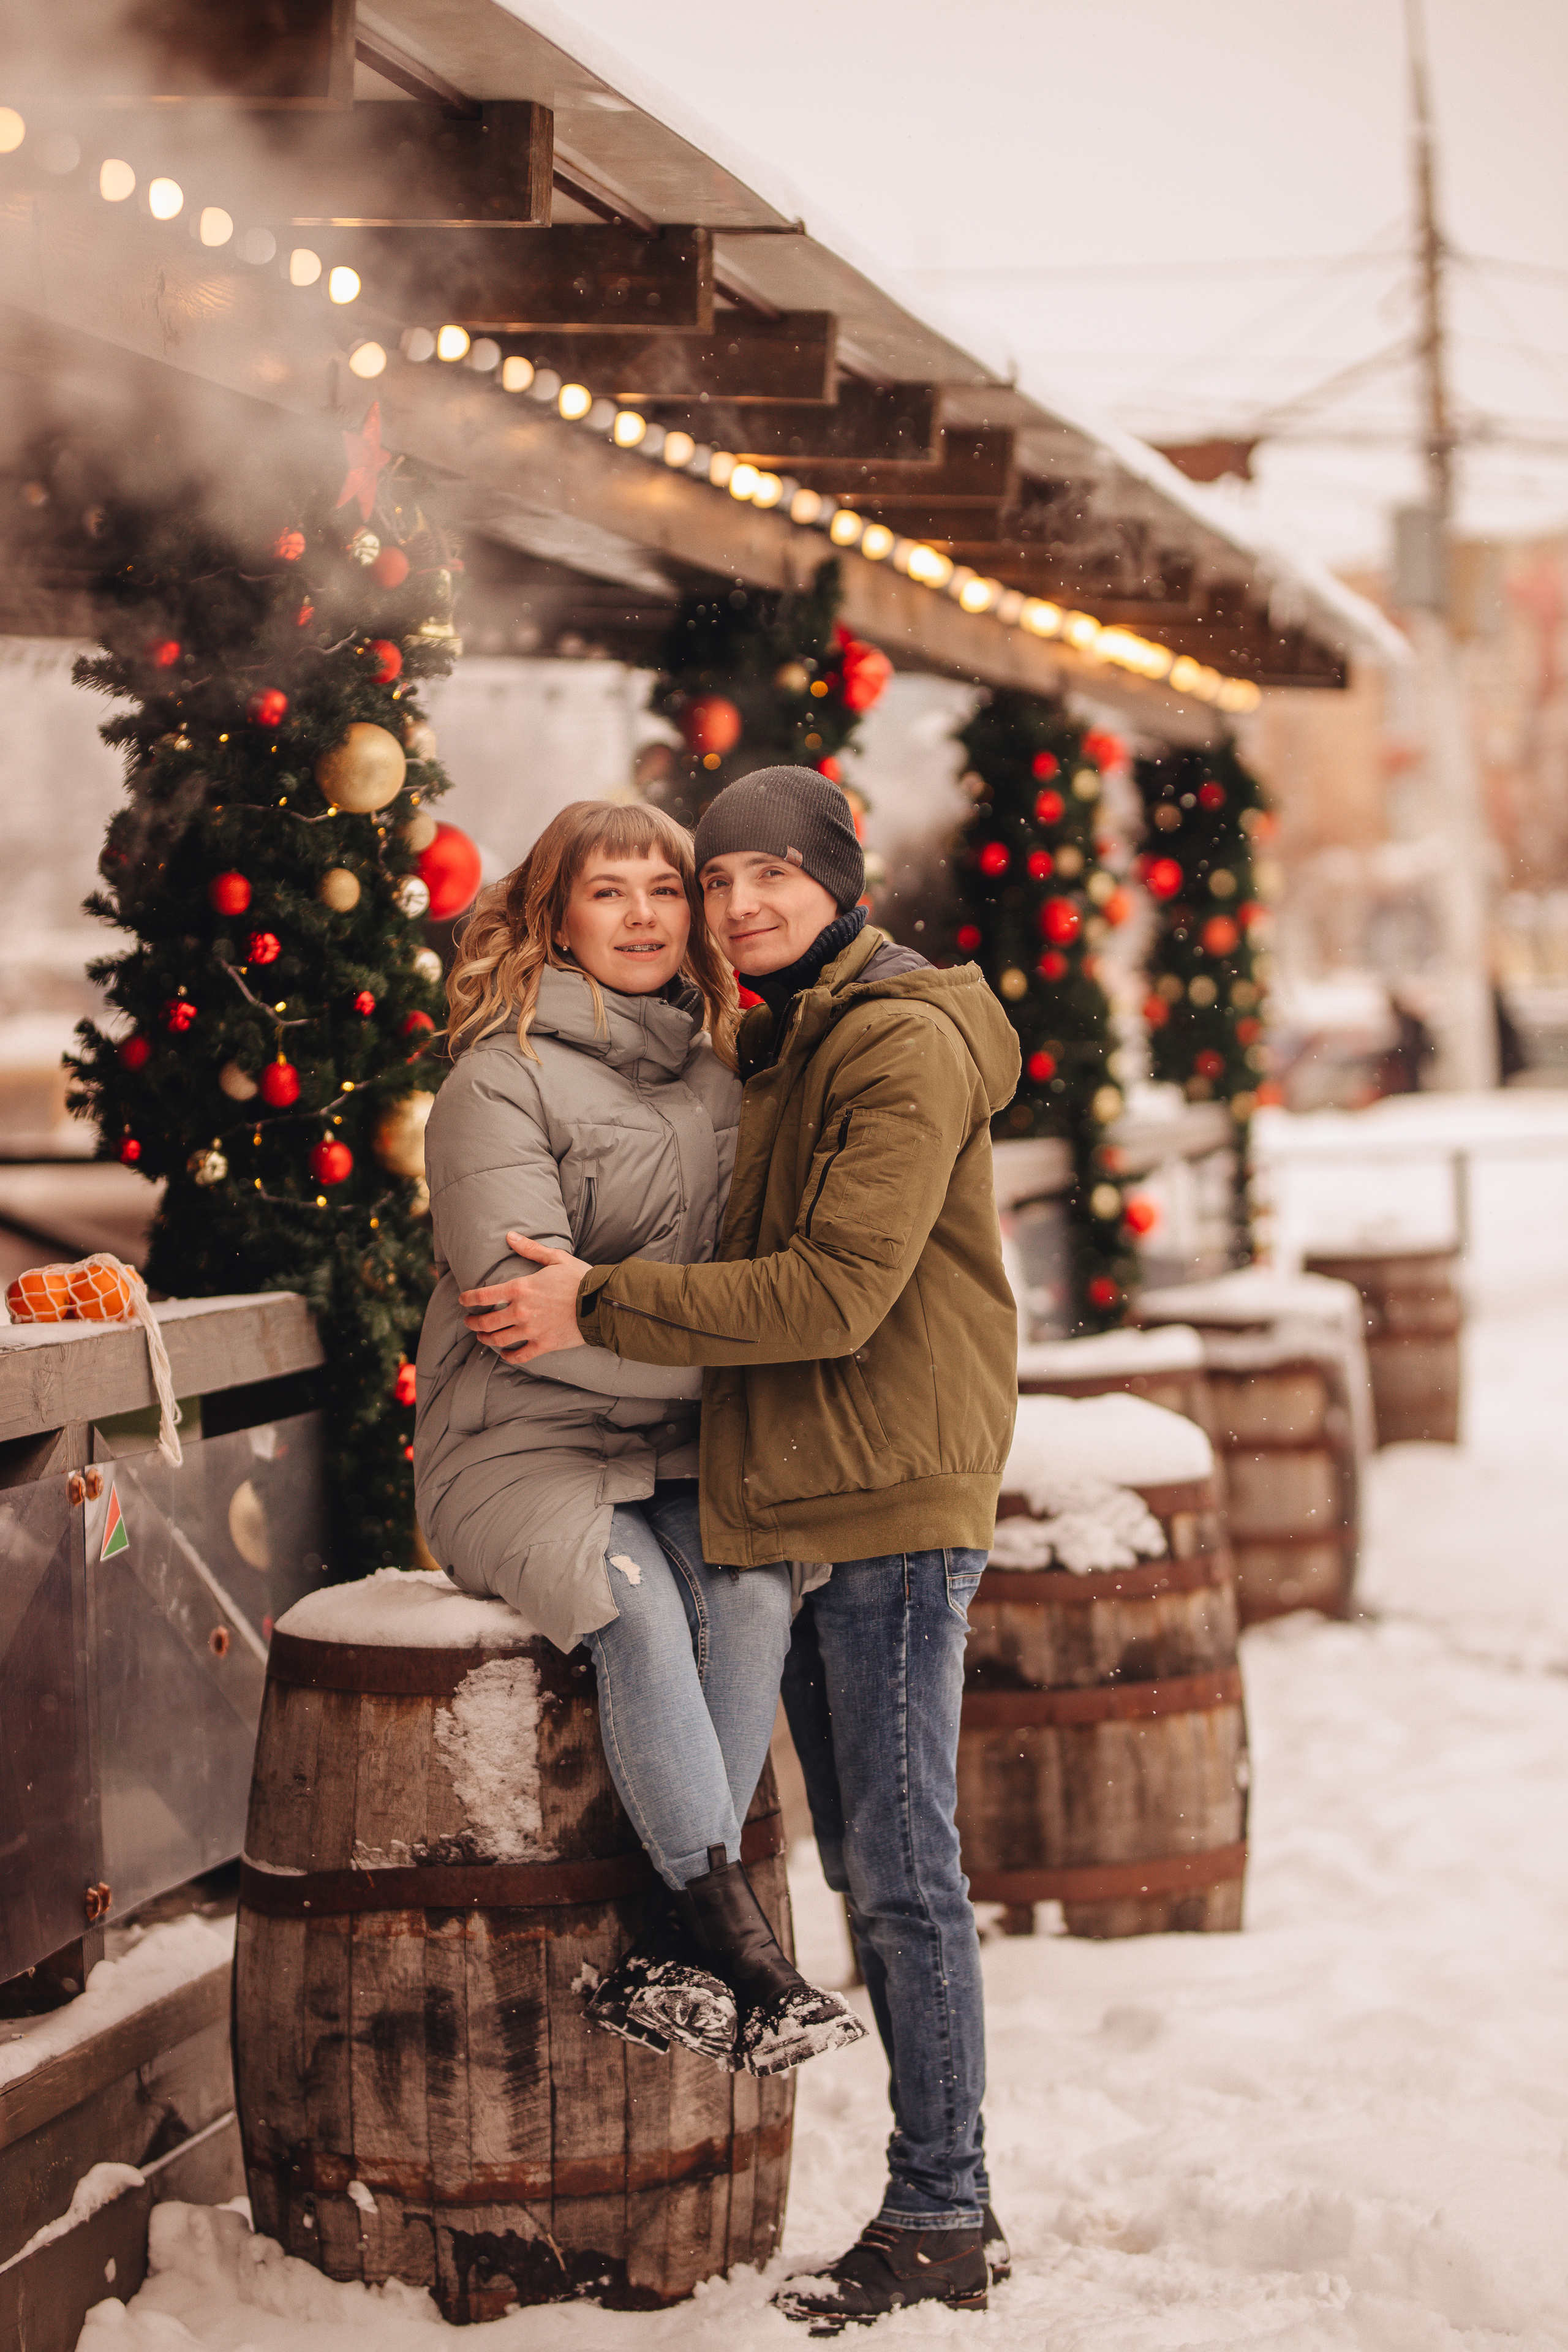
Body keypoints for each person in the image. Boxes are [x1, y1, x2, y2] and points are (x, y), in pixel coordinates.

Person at [461, 767, 1021, 2328]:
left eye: (772, 874)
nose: (739, 906)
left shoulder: (894, 1039)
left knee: (902, 1876)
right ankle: (938, 2191)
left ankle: (942, 2207)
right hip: (814, 1492)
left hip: (889, 1500)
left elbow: (832, 1293)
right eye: (719, 882)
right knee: (863, 1862)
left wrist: (599, 1302)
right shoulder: (787, 1033)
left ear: (842, 878)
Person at [413, 799, 862, 2078]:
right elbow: (529, 1327)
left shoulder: (726, 1073)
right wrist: (725, 1357)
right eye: (607, 892)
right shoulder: (495, 1081)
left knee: (754, 1594)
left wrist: (702, 1344)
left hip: (679, 1450)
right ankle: (750, 1958)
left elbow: (761, 1287)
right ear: (553, 915)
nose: (644, 916)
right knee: (640, 1612)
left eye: (665, 891)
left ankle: (667, 1957)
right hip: (519, 1444)